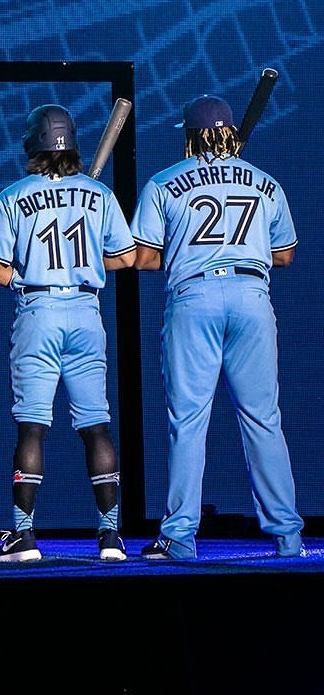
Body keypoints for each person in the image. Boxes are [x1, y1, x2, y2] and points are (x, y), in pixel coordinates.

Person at [130, 94, 304, 560]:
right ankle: (288, 537)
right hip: (251, 297)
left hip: (195, 297)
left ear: (190, 136)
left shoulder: (165, 181)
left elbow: (143, 257)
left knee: (188, 420)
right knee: (263, 418)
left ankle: (179, 537)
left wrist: (190, 251)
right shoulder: (265, 182)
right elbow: (285, 253)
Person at [0, 103, 136, 562]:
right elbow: (127, 257)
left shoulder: (12, 196)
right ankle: (111, 536)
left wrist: (27, 275)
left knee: (33, 426)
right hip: (86, 312)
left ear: (32, 145)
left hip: (39, 310)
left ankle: (23, 536)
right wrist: (82, 261)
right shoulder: (99, 193)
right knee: (95, 424)